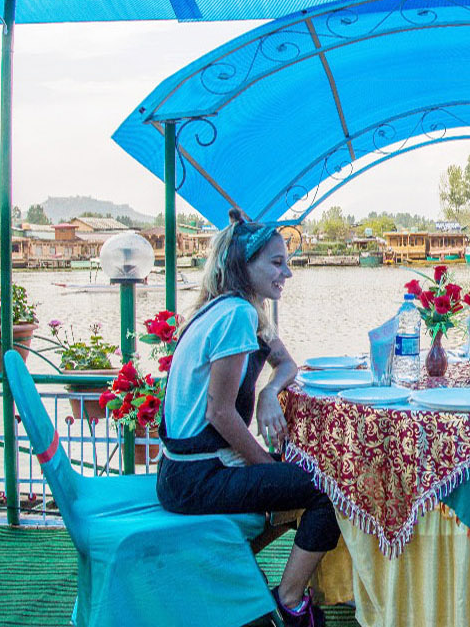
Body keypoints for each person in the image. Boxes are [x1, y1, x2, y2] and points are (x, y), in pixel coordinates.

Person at [157, 209, 334, 627]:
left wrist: (270, 391)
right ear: (244, 266)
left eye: (285, 262)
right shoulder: (237, 316)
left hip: (180, 474)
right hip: (197, 479)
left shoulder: (231, 309)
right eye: (276, 263)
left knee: (297, 482)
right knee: (329, 491)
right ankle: (289, 602)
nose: (286, 273)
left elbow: (287, 364)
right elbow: (218, 412)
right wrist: (266, 466)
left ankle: (236, 573)